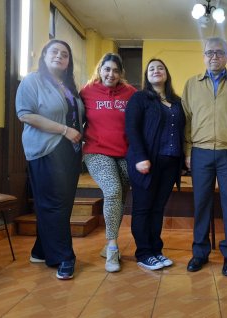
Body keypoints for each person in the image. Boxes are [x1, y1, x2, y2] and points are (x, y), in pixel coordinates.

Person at [182, 37, 227, 277]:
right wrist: (189, 151)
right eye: (210, 53)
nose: (214, 57)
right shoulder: (192, 85)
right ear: (203, 56)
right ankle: (199, 253)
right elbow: (187, 122)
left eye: (219, 53)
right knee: (201, 203)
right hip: (200, 152)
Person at [15, 39, 84, 280]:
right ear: (44, 55)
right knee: (53, 204)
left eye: (64, 54)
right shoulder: (32, 81)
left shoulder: (68, 86)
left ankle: (41, 250)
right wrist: (64, 130)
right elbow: (25, 114)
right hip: (45, 151)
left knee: (61, 205)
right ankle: (64, 257)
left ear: (68, 61)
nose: (59, 56)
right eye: (54, 51)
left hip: (70, 154)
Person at [125, 58, 185, 270]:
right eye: (151, 69)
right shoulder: (139, 98)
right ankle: (143, 253)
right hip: (146, 163)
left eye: (160, 67)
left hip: (170, 164)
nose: (156, 71)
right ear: (147, 75)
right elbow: (131, 129)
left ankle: (156, 250)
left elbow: (182, 131)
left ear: (166, 73)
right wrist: (141, 157)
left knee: (158, 208)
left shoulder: (177, 102)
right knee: (143, 208)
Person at [80, 53, 137, 272]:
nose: (110, 74)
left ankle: (108, 244)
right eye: (107, 69)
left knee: (120, 197)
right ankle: (113, 247)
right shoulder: (87, 92)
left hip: (124, 153)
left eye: (115, 70)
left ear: (120, 73)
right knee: (113, 191)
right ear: (100, 70)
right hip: (96, 151)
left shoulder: (130, 93)